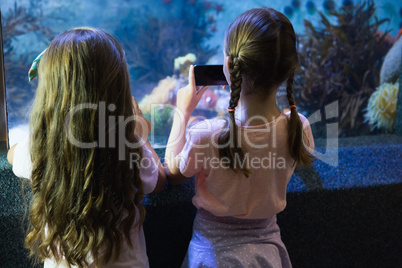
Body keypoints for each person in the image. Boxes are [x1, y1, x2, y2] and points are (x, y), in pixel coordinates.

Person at [164, 7, 315, 268]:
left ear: (229, 65)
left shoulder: (206, 134)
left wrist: (181, 111)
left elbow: (174, 173)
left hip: (212, 256)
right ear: (288, 69)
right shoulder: (299, 128)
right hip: (267, 255)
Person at [7, 27, 166, 267]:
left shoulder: (38, 148)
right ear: (119, 89)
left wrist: (41, 130)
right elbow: (158, 181)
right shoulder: (130, 146)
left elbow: (12, 155)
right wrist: (139, 132)